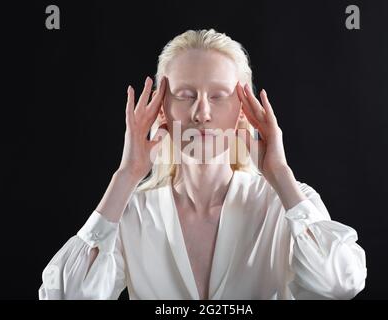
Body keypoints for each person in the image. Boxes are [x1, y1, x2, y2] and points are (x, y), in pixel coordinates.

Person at [39, 29, 367, 300]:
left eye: (218, 95)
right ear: (161, 109)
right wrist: (125, 177)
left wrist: (281, 177)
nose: (202, 114)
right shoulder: (130, 212)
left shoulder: (285, 203)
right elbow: (66, 296)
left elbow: (340, 284)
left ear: (243, 109)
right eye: (185, 94)